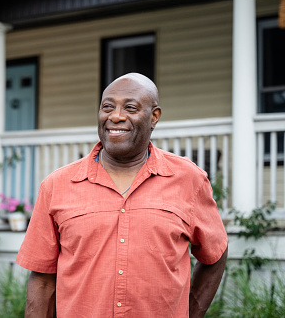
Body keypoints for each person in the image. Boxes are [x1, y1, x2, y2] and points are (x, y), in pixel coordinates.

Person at [16, 73, 228, 318]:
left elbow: (216, 254)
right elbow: (42, 279)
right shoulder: (57, 185)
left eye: (130, 107)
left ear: (154, 117)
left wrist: (191, 313)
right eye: (107, 107)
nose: (115, 116)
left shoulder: (189, 179)